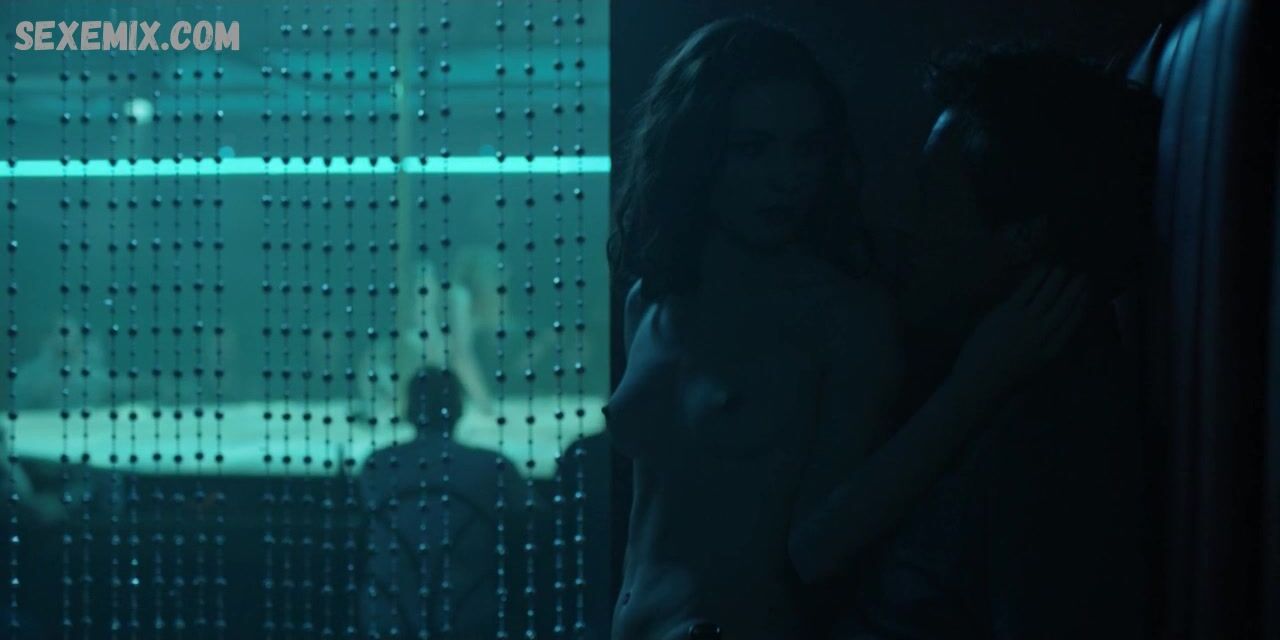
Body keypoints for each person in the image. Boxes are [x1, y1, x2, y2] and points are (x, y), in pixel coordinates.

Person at [606, 18, 1086, 640]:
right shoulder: (650, 301)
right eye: (753, 148)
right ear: (696, 154)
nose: (787, 176)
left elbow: (821, 544)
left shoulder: (843, 316)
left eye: (806, 148)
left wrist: (974, 386)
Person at [848, 44, 1159, 639]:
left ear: (1023, 236)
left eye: (932, 199)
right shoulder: (979, 380)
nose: (904, 224)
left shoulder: (1053, 441)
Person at [358, 366, 540, 639]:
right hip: (470, 618)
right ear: (458, 408)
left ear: (409, 410)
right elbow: (539, 522)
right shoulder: (493, 467)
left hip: (386, 617)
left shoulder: (378, 465)